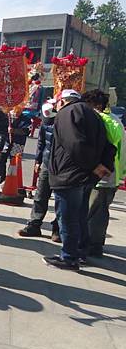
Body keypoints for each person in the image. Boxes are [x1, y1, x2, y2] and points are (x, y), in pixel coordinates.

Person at [45, 89, 116, 270]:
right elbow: (109, 146)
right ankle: (79, 251)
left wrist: (94, 165)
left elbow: (74, 143)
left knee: (68, 217)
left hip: (70, 175)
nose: (56, 106)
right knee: (79, 215)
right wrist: (104, 166)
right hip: (85, 176)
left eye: (57, 103)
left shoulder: (68, 113)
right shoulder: (94, 115)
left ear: (64, 101)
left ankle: (69, 257)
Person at [82, 89, 125, 257]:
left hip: (103, 174)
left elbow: (105, 149)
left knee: (94, 211)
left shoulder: (103, 121)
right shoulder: (115, 120)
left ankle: (92, 246)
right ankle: (95, 244)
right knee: (100, 210)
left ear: (97, 105)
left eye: (87, 105)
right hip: (111, 174)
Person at [18, 99, 60, 241]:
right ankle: (34, 225)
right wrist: (38, 160)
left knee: (60, 200)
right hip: (47, 164)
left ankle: (58, 229)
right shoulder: (44, 124)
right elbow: (41, 143)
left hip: (62, 167)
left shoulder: (65, 124)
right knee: (40, 196)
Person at [0, 105, 31, 184]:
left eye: (19, 110)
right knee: (1, 158)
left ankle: (10, 178)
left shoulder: (26, 120)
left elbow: (26, 131)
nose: (17, 112)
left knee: (14, 162)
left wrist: (14, 131)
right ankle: (1, 175)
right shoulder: (8, 117)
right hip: (7, 141)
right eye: (16, 110)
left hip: (18, 143)